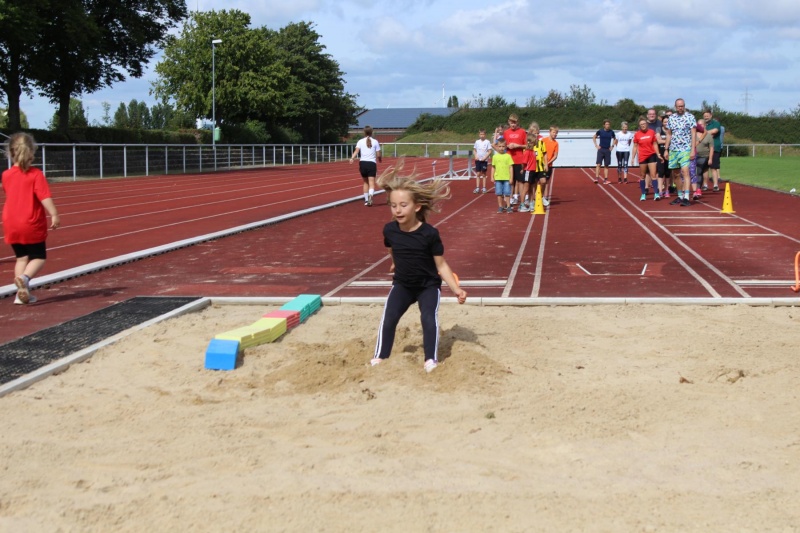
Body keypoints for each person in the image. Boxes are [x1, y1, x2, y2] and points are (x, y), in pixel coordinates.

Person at [370, 166, 467, 373]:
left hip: (427, 286)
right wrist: (395, 261)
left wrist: (456, 289)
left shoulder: (429, 234)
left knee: (428, 318)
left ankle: (430, 359)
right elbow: (391, 247)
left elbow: (441, 264)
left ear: (416, 207)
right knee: (389, 318)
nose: (397, 210)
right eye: (393, 205)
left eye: (403, 205)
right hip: (403, 285)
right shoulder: (390, 230)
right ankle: (380, 356)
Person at [2, 132, 61, 305]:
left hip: (10, 222)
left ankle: (20, 294)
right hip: (30, 222)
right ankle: (25, 278)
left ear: (10, 152)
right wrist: (54, 213)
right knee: (38, 257)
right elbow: (44, 196)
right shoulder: (35, 174)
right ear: (32, 152)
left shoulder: (6, 175)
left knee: (21, 258)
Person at [664, 98, 697, 207]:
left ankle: (686, 197)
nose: (680, 108)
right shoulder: (671, 118)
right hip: (674, 149)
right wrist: (666, 149)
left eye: (682, 106)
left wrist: (692, 150)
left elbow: (693, 134)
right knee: (676, 174)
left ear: (684, 106)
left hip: (685, 148)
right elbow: (669, 134)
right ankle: (680, 196)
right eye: (678, 106)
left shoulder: (690, 117)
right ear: (675, 107)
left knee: (685, 171)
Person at [630, 118, 663, 201]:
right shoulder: (637, 134)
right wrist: (633, 158)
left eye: (644, 124)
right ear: (639, 126)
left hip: (651, 155)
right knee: (642, 175)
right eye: (641, 124)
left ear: (647, 124)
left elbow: (655, 144)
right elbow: (635, 147)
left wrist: (658, 154)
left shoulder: (651, 132)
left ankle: (656, 194)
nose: (643, 125)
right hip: (642, 156)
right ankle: (643, 194)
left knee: (653, 175)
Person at [349, 125, 382, 206]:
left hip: (363, 163)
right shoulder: (375, 141)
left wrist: (352, 158)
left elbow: (356, 151)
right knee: (371, 183)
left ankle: (366, 200)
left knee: (365, 182)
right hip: (371, 164)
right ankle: (370, 196)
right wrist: (379, 159)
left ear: (364, 132)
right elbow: (378, 154)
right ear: (371, 132)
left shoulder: (360, 141)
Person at [520, 122, 547, 212]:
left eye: (537, 133)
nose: (537, 136)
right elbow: (524, 162)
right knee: (526, 187)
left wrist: (545, 164)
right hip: (528, 171)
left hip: (534, 170)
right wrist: (522, 169)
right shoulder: (527, 151)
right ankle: (522, 204)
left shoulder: (533, 150)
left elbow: (542, 154)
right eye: (535, 134)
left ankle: (532, 202)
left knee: (532, 186)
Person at [503, 114, 527, 207]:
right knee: (510, 181)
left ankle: (522, 202)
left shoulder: (522, 132)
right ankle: (510, 201)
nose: (513, 124)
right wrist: (507, 146)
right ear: (509, 122)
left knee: (520, 181)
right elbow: (502, 145)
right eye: (511, 123)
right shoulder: (506, 132)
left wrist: (518, 146)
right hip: (509, 160)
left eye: (515, 123)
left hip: (519, 160)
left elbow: (527, 145)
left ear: (517, 122)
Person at [491, 140, 514, 213]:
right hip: (498, 178)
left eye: (503, 146)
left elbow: (511, 167)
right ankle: (500, 207)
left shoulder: (508, 156)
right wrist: (492, 176)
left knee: (507, 193)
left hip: (506, 178)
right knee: (499, 193)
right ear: (497, 147)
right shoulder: (495, 157)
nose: (501, 148)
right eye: (500, 146)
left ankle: (508, 206)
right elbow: (493, 167)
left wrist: (511, 178)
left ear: (506, 147)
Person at [693, 119, 714, 199]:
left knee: (699, 171)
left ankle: (698, 189)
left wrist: (710, 158)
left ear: (705, 125)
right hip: (693, 155)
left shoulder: (708, 135)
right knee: (692, 173)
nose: (700, 126)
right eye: (698, 124)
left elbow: (711, 148)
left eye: (701, 124)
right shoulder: (693, 134)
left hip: (704, 156)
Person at [703, 109, 723, 191]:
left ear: (711, 115)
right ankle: (705, 185)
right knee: (705, 168)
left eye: (707, 116)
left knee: (713, 167)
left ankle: (715, 185)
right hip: (704, 148)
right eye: (705, 116)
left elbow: (715, 131)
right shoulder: (703, 124)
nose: (706, 117)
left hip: (714, 148)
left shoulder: (716, 123)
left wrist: (704, 133)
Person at [593, 119, 616, 184]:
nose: (607, 125)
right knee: (598, 164)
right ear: (604, 125)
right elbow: (594, 137)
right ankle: (596, 178)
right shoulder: (600, 131)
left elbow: (615, 139)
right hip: (601, 149)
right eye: (606, 124)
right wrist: (596, 145)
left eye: (608, 124)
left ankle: (605, 180)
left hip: (607, 150)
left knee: (606, 165)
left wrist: (612, 146)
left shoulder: (612, 132)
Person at [541, 125, 560, 206]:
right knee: (540, 181)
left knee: (546, 182)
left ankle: (544, 197)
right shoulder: (543, 140)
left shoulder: (556, 143)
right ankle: (537, 197)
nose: (555, 134)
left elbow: (555, 156)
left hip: (549, 165)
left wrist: (548, 162)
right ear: (550, 132)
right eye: (553, 132)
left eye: (556, 133)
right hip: (541, 164)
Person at [472, 128, 492, 194]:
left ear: (485, 135)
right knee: (478, 173)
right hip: (478, 160)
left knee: (483, 174)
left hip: (484, 160)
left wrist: (485, 157)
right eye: (481, 134)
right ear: (479, 134)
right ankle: (477, 188)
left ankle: (484, 188)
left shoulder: (487, 142)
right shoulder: (477, 142)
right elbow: (474, 150)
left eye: (483, 134)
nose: (482, 135)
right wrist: (475, 156)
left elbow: (489, 151)